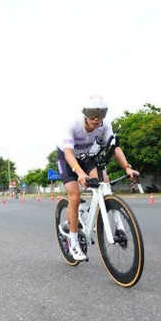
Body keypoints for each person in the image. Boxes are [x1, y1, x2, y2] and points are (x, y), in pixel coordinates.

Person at [56, 95, 139, 261]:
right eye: (92, 112)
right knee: (74, 194)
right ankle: (73, 243)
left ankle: (92, 216)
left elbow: (115, 148)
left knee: (104, 183)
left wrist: (128, 168)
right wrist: (79, 173)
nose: (96, 117)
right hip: (68, 158)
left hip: (87, 156)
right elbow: (69, 153)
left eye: (101, 113)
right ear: (85, 113)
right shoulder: (72, 124)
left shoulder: (105, 125)